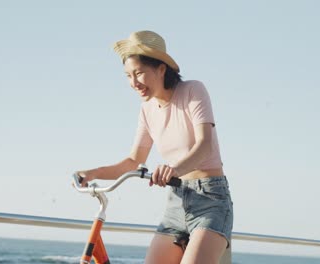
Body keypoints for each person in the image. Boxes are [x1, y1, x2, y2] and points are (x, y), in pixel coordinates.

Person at [77, 30, 233, 264]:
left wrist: (174, 170)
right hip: (176, 201)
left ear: (161, 69)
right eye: (128, 76)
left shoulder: (193, 90)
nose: (133, 83)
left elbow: (204, 145)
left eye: (139, 73)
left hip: (210, 199)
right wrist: (92, 173)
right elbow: (133, 161)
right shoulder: (147, 110)